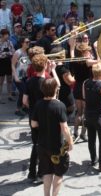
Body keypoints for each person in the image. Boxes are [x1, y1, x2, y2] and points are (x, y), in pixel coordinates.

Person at [31, 78, 73, 196]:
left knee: (47, 172)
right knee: (59, 174)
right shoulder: (59, 106)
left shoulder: (38, 104)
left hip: (42, 145)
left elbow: (33, 124)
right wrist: (70, 142)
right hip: (57, 146)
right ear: (55, 89)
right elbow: (64, 128)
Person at [23, 52, 60, 181]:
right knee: (44, 146)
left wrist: (32, 108)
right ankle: (40, 173)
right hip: (45, 116)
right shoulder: (45, 82)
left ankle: (31, 172)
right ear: (45, 65)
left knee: (36, 144)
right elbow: (57, 86)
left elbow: (24, 101)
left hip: (33, 115)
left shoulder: (29, 81)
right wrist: (53, 70)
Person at [11, 37, 31, 116]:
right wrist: (15, 76)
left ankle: (24, 106)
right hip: (18, 76)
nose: (28, 43)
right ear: (22, 43)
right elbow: (12, 64)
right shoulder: (18, 52)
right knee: (22, 92)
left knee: (26, 92)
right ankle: (17, 109)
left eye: (29, 42)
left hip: (25, 76)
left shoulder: (26, 52)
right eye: (27, 42)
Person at [0, 29, 15, 103]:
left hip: (8, 62)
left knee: (9, 80)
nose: (7, 36)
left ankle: (10, 95)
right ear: (2, 35)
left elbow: (13, 51)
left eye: (8, 34)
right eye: (6, 34)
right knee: (1, 81)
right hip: (1, 63)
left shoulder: (9, 42)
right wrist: (6, 53)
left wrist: (5, 53)